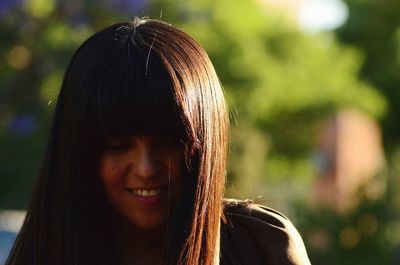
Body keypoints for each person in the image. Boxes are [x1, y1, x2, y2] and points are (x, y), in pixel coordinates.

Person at [6, 18, 311, 265]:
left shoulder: (263, 245)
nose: (146, 168)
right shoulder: (47, 250)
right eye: (118, 145)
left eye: (168, 142)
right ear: (79, 151)